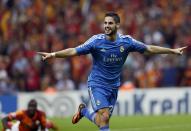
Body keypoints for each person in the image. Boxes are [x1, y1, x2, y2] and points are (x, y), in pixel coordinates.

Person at [37, 12, 187, 131]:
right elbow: (74, 51)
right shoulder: (96, 41)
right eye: (105, 23)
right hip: (97, 84)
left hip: (114, 86)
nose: (107, 26)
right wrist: (53, 54)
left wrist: (172, 51)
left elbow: (149, 48)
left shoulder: (126, 42)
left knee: (102, 121)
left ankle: (83, 112)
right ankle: (85, 111)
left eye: (110, 23)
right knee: (105, 116)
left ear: (117, 25)